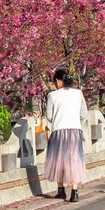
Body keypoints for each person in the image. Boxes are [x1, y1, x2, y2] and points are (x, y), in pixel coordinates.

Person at [44, 68, 88, 202]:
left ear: (58, 81)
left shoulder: (52, 95)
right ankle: (74, 192)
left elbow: (49, 116)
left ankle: (61, 190)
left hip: (58, 130)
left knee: (59, 159)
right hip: (74, 130)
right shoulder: (78, 93)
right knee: (74, 159)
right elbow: (83, 113)